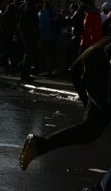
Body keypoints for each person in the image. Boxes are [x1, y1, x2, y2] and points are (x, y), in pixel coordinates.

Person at [19, 32, 111, 177]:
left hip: (91, 66)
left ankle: (40, 145)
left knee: (90, 131)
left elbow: (75, 70)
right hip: (100, 71)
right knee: (91, 129)